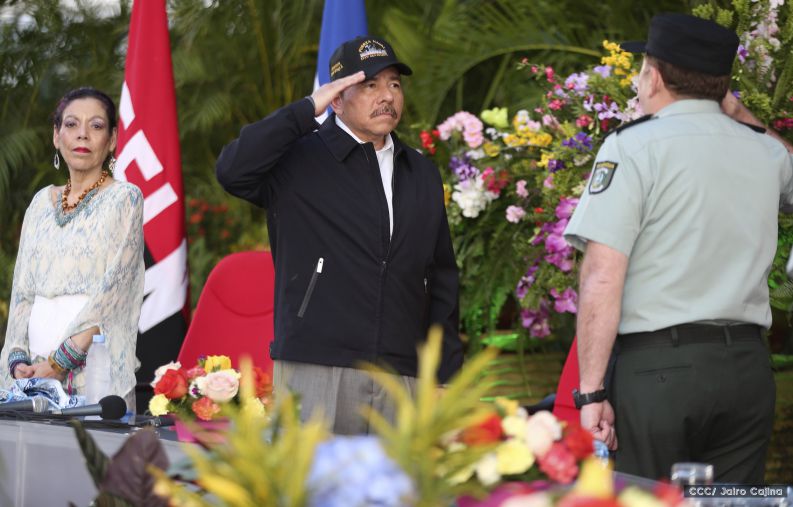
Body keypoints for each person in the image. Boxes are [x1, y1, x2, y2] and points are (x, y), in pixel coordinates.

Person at [563, 13, 793, 482]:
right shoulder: (766, 153)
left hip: (658, 373)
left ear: (655, 76)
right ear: (723, 85)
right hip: (747, 371)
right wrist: (739, 115)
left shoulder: (632, 147)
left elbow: (603, 274)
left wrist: (589, 393)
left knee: (646, 499)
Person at [216, 36, 463, 434]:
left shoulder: (421, 172)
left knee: (398, 494)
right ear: (335, 99)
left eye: (394, 84)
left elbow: (441, 279)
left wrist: (445, 372)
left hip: (403, 375)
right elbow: (232, 170)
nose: (387, 96)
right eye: (370, 86)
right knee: (311, 493)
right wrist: (303, 110)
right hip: (316, 366)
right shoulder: (296, 160)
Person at [0, 87, 145, 412]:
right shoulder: (40, 203)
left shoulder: (125, 198)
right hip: (30, 373)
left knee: (91, 461)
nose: (82, 134)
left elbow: (115, 292)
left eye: (95, 126)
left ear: (111, 140)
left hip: (92, 368)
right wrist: (17, 360)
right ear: (56, 135)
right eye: (71, 124)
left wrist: (61, 361)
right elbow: (22, 292)